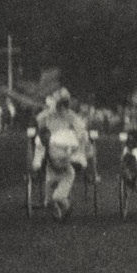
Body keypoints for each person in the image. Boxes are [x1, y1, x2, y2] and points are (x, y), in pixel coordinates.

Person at [35, 88, 91, 220]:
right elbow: (39, 122)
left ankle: (64, 204)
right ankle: (57, 208)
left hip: (66, 149)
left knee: (58, 194)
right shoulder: (48, 115)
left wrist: (77, 140)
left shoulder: (71, 116)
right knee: (48, 201)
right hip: (50, 148)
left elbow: (81, 132)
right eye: (59, 104)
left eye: (64, 105)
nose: (61, 108)